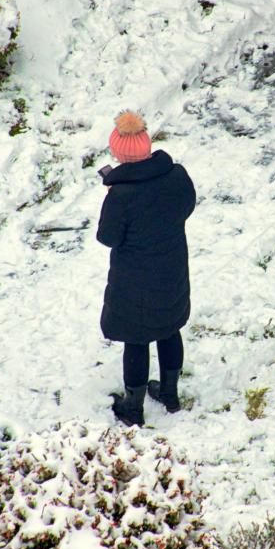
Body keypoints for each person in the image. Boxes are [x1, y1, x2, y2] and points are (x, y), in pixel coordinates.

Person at [97, 110, 196, 426]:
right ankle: (169, 393)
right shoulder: (177, 176)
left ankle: (133, 407)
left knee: (136, 339)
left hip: (134, 281)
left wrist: (113, 199)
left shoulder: (121, 195)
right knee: (169, 328)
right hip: (172, 271)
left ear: (121, 154)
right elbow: (187, 206)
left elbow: (108, 237)